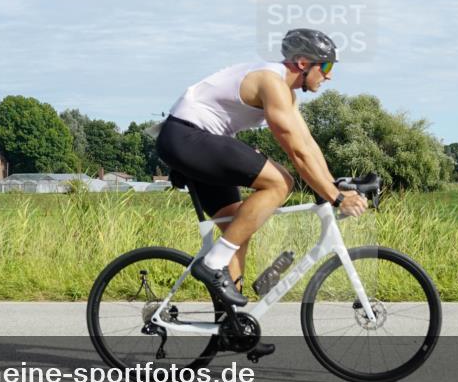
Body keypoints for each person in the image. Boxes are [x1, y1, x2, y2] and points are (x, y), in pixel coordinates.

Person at [155, 28, 369, 311]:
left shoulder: (288, 95)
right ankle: (212, 264)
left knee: (237, 227)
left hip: (197, 140)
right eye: (326, 66)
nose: (329, 75)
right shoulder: (272, 83)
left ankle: (230, 324)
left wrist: (332, 184)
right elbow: (296, 152)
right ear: (303, 63)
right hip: (186, 136)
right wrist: (336, 198)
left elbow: (308, 144)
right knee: (280, 182)